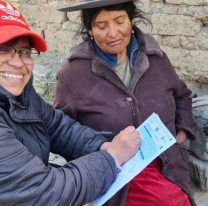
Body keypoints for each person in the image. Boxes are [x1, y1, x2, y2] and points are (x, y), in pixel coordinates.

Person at [54, 0, 196, 206]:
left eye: (120, 21)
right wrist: (98, 164)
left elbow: (182, 96)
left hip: (169, 170)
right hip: (116, 180)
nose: (113, 33)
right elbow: (62, 131)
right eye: (101, 26)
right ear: (90, 30)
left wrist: (181, 136)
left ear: (131, 20)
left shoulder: (155, 58)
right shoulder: (73, 74)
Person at [0, 1, 141, 206]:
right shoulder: (74, 71)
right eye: (3, 50)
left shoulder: (22, 97)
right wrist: (112, 157)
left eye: (24, 51)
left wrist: (100, 145)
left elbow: (58, 127)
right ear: (90, 30)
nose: (19, 63)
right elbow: (45, 191)